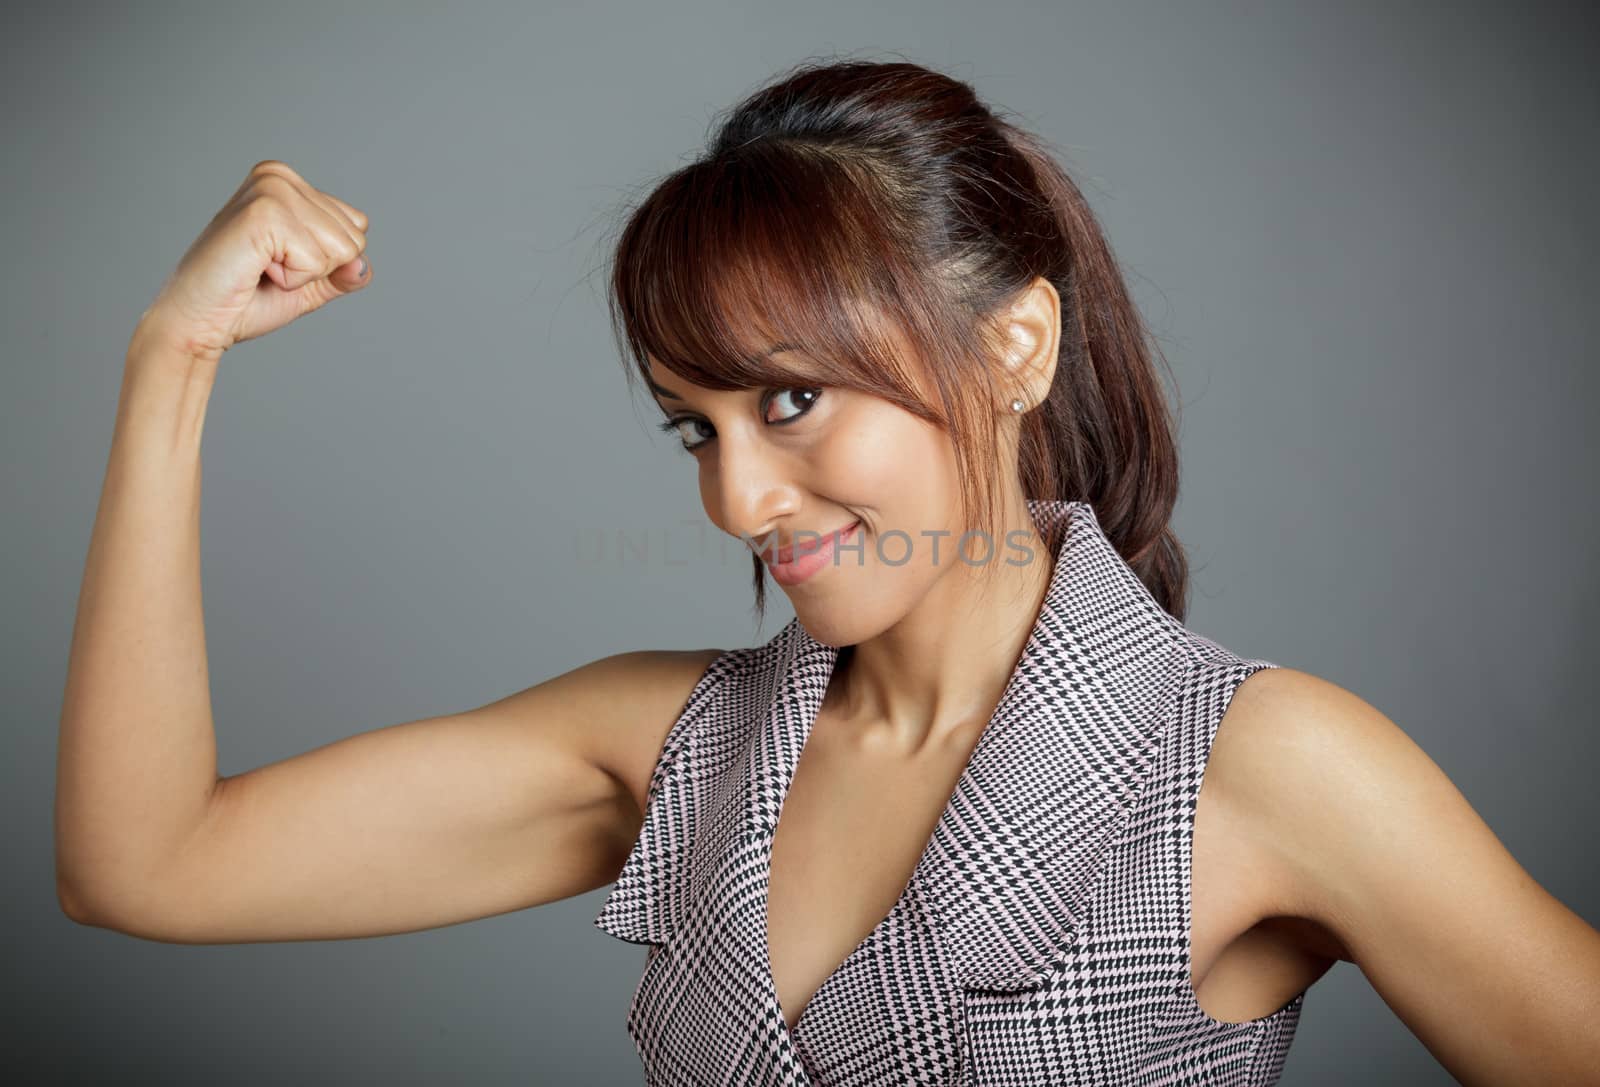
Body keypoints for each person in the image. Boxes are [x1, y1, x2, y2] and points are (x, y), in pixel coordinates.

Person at [56, 58, 1600, 1087]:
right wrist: (172, 359)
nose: (737, 495)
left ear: (1016, 344)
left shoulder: (1260, 767)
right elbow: (146, 867)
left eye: (790, 399)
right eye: (692, 429)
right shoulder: (676, 749)